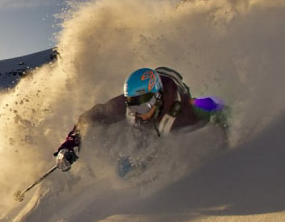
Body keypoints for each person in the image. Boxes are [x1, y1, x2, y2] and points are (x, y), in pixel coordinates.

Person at [54, 66, 227, 172]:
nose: (138, 113)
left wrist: (228, 130)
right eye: (133, 106)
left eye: (143, 107)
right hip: (144, 135)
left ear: (157, 98)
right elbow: (89, 118)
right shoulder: (128, 105)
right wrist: (69, 144)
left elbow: (217, 108)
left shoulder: (186, 113)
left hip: (163, 136)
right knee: (125, 169)